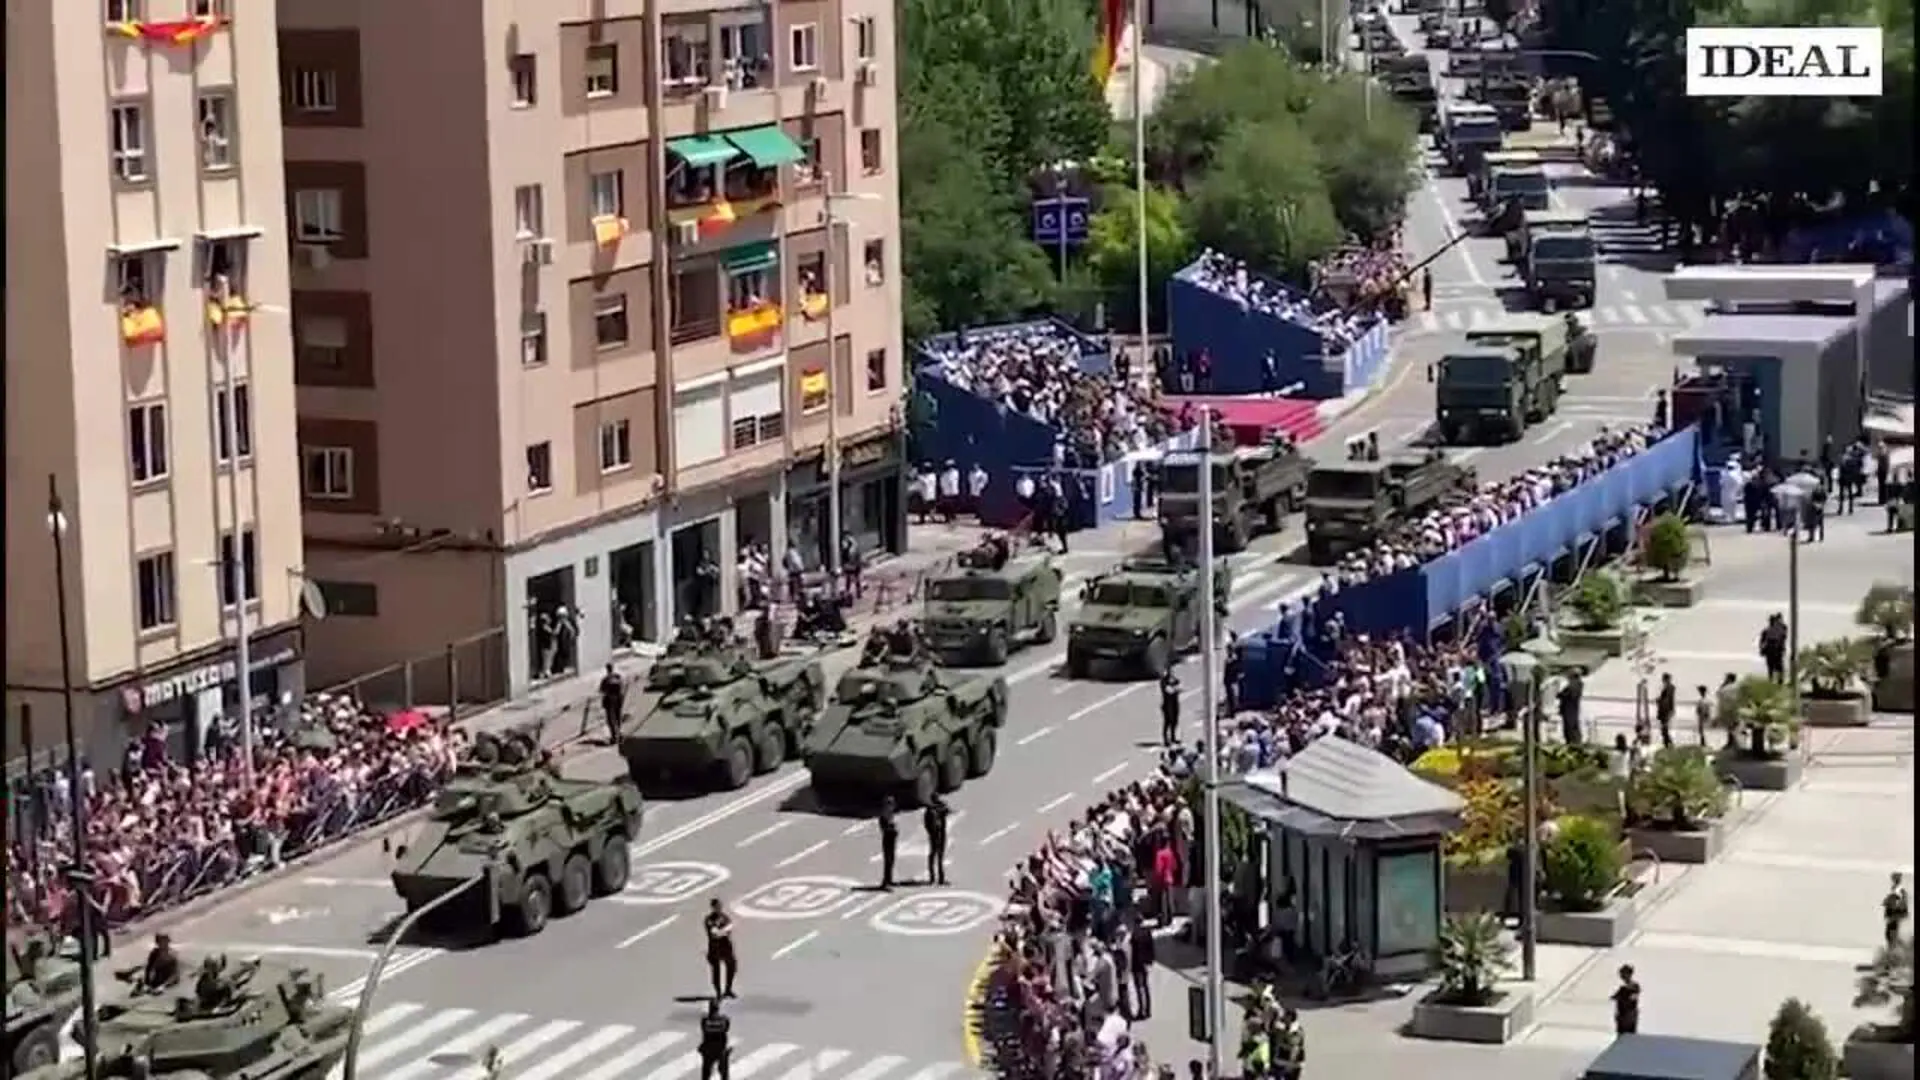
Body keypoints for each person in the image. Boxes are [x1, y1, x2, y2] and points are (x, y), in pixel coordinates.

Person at [704, 898, 738, 999]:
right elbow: (715, 933)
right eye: (717, 907)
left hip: (726, 946)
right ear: (713, 907)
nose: (719, 908)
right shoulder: (709, 919)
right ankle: (718, 992)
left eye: (720, 906)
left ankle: (728, 990)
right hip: (715, 948)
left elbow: (730, 928)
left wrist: (723, 931)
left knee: (732, 966)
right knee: (716, 970)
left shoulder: (724, 917)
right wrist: (724, 931)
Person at [1127, 914, 1155, 1019]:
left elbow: (1133, 952)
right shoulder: (1147, 932)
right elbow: (1151, 947)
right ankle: (1148, 1010)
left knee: (1139, 988)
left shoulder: (1134, 935)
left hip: (1137, 965)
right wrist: (1150, 960)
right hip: (1145, 963)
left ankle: (1141, 1011)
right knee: (1146, 987)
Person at [698, 997, 732, 1080]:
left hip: (708, 1049)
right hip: (721, 1049)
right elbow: (726, 1029)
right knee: (724, 1073)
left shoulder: (705, 1020)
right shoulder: (724, 1020)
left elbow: (703, 1029)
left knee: (706, 1072)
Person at [923, 793, 950, 886]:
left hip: (941, 833)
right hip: (935, 834)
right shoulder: (930, 811)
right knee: (934, 855)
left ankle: (940, 877)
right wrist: (931, 832)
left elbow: (946, 811)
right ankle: (933, 877)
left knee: (940, 856)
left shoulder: (938, 809)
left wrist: (943, 808)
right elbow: (927, 824)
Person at [598, 663, 626, 745]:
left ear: (607, 669)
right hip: (618, 699)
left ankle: (614, 737)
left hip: (610, 700)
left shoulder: (606, 679)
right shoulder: (618, 677)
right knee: (618, 717)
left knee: (611, 719)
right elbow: (622, 687)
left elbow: (602, 690)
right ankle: (619, 734)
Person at [877, 795, 900, 890]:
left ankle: (889, 880)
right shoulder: (884, 816)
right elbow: (885, 829)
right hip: (887, 841)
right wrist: (892, 829)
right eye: (891, 804)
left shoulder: (890, 815)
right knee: (888, 861)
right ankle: (885, 882)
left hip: (892, 840)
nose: (893, 806)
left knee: (891, 861)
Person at [1612, 964, 1641, 1035]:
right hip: (1623, 1016)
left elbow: (1632, 998)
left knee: (1627, 1036)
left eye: (1623, 974)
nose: (1621, 976)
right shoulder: (1623, 988)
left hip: (1628, 1016)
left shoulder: (1633, 986)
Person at [1883, 872, 1910, 946]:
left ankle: (1894, 950)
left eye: (1895, 879)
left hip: (1895, 917)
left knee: (1891, 935)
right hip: (1893, 916)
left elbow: (1901, 904)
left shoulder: (1900, 891)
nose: (1893, 880)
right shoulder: (1895, 889)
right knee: (1890, 935)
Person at [1160, 671, 1182, 747]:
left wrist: (1175, 688)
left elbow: (1179, 687)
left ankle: (1173, 737)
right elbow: (1169, 690)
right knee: (1168, 722)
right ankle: (1166, 739)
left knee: (1175, 721)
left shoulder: (1175, 680)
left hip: (1175, 703)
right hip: (1167, 705)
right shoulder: (1164, 681)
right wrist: (1175, 689)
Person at [1655, 672, 1677, 748]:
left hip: (1665, 710)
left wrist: (1659, 700)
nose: (1662, 680)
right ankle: (1668, 743)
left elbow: (1667, 699)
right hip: (1665, 710)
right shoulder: (1670, 687)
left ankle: (1668, 744)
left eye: (1663, 679)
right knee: (1664, 729)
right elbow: (1670, 699)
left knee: (1664, 729)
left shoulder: (1668, 688)